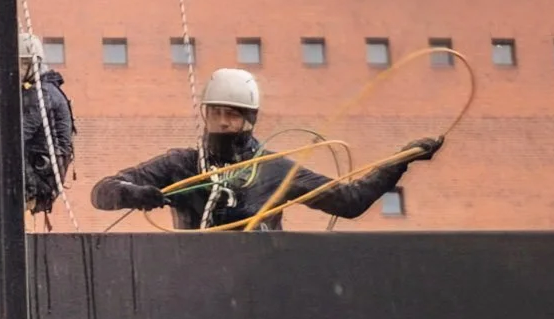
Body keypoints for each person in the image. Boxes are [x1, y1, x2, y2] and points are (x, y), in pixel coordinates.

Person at [91, 67, 442, 231]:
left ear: (250, 119)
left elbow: (350, 202)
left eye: (233, 115)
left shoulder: (275, 169)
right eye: (216, 113)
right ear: (205, 114)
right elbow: (100, 191)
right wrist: (131, 193)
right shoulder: (179, 165)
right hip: (190, 280)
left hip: (259, 281)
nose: (224, 123)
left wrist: (400, 161)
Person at [20, 32, 76, 221]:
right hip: (40, 181)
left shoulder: (40, 94)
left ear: (30, 64)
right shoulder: (46, 91)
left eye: (18, 64)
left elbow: (12, 138)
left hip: (35, 182)